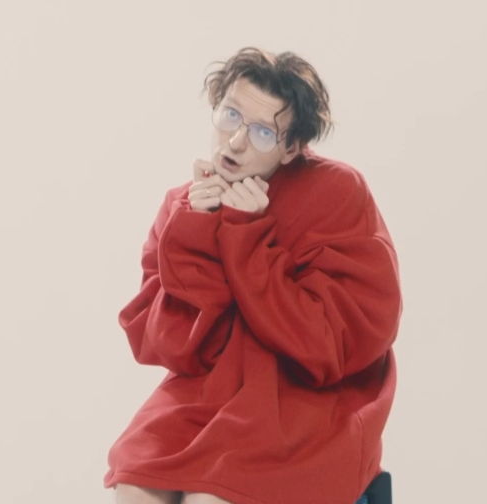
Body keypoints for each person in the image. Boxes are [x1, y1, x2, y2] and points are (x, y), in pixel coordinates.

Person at [104, 47, 403, 504]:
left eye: (263, 132)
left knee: (213, 497)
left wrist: (247, 238)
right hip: (212, 391)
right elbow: (172, 347)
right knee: (135, 485)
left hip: (307, 400)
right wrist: (197, 229)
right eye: (231, 115)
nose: (236, 141)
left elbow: (325, 345)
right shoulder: (186, 203)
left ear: (292, 148)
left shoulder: (338, 192)